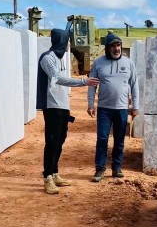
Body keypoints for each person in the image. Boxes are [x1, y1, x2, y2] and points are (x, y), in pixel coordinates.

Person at [37, 28, 99, 195]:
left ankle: (54, 172)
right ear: (61, 40)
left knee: (60, 140)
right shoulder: (47, 58)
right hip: (52, 105)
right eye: (67, 40)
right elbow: (57, 78)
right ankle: (47, 177)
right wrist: (84, 82)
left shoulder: (61, 58)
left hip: (63, 105)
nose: (69, 44)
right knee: (52, 141)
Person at [88, 33, 139, 182]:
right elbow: (92, 85)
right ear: (107, 47)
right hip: (104, 109)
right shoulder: (99, 63)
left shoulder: (128, 63)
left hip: (122, 109)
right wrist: (90, 104)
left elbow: (134, 85)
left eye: (118, 45)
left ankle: (117, 167)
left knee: (119, 139)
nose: (116, 49)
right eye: (113, 46)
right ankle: (100, 169)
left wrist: (135, 106)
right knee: (102, 138)